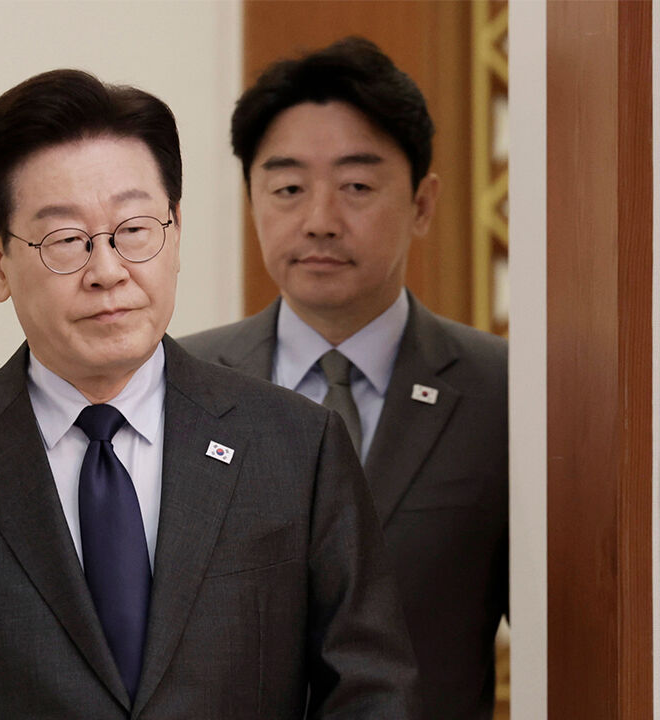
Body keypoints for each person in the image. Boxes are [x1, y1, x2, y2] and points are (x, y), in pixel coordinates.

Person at [0, 68, 416, 719]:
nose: (107, 271)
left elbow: (370, 692)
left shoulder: (296, 446)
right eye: (66, 240)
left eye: (134, 230)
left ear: (175, 230)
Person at [182, 37, 508, 720]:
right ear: (252, 200)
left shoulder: (503, 393)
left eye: (357, 187)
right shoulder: (181, 387)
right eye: (289, 189)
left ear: (422, 203)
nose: (320, 221)